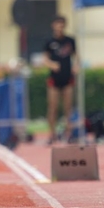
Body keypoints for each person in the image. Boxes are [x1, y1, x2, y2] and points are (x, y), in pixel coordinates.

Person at [43, 15, 78, 143]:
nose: (60, 27)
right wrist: (52, 65)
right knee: (53, 107)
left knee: (68, 107)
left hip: (68, 77)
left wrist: (76, 66)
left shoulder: (70, 41)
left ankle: (69, 133)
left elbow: (76, 57)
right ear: (53, 25)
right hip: (54, 79)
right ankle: (52, 134)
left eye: (62, 24)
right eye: (57, 24)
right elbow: (45, 59)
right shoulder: (49, 41)